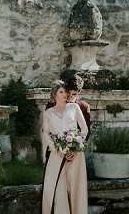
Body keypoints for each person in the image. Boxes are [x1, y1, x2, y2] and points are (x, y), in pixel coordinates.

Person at [41, 80, 88, 214]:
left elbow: (84, 130)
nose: (64, 95)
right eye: (61, 92)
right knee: (56, 190)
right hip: (57, 155)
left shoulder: (74, 108)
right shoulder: (48, 113)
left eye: (65, 92)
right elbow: (46, 134)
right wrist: (58, 149)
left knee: (76, 189)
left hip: (76, 156)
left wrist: (76, 146)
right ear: (54, 94)